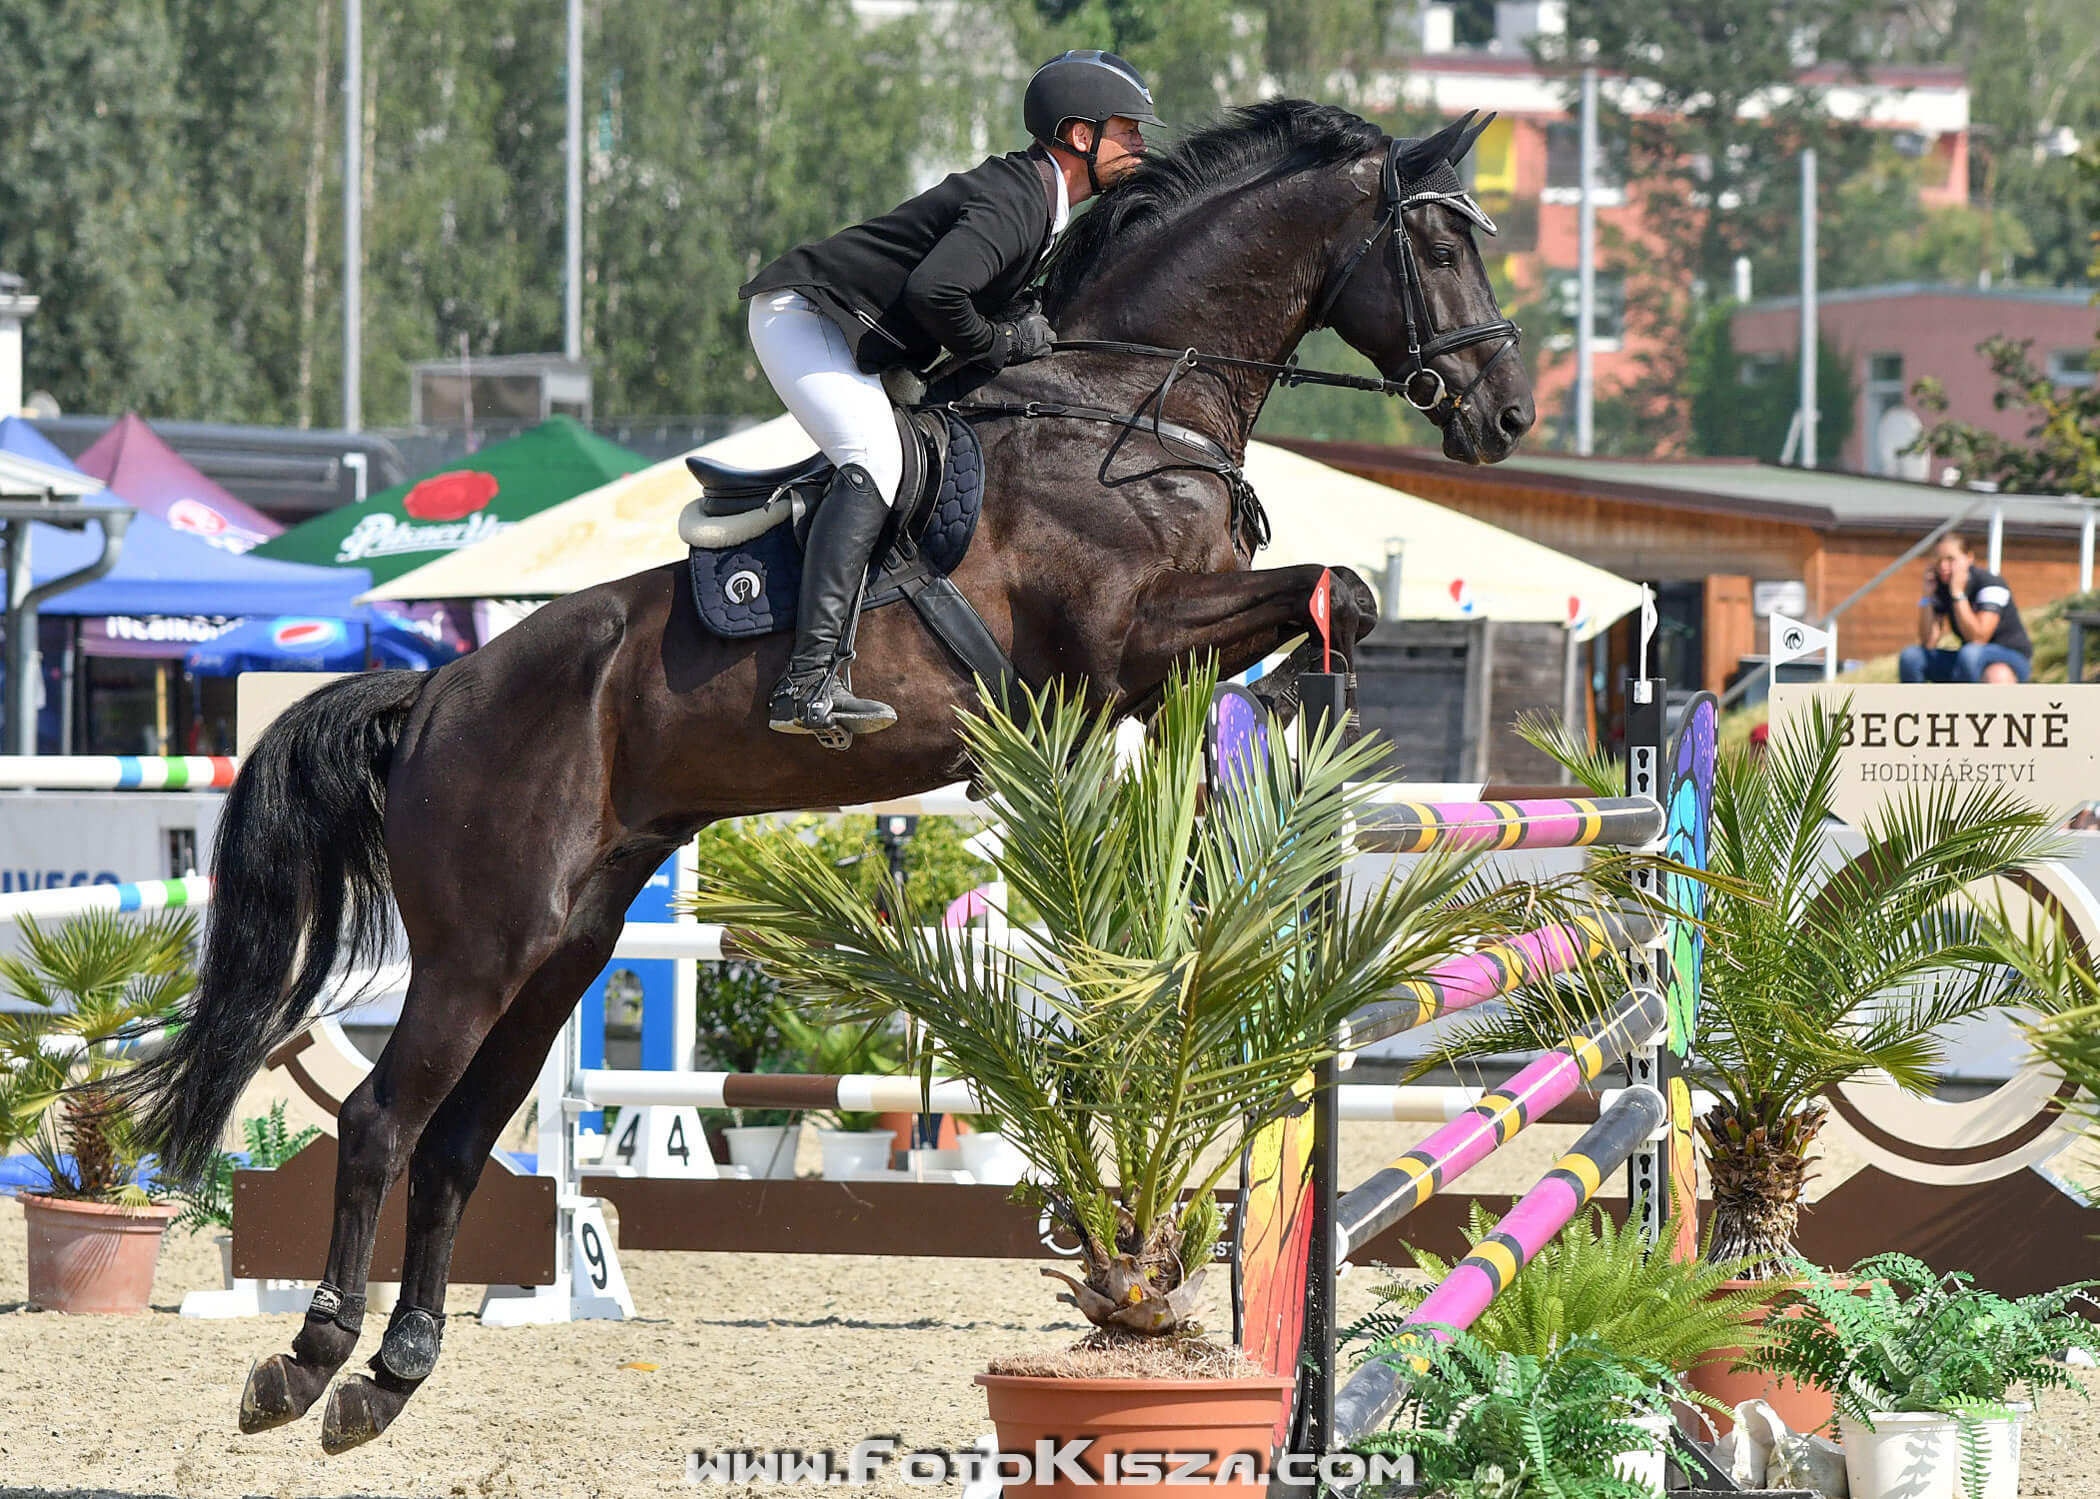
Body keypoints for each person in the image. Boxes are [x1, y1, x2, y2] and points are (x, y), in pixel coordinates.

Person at [738, 50, 1162, 740]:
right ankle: (807, 681)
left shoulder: (1043, 205)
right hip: (806, 320)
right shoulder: (1020, 200)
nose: (1142, 144)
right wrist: (998, 344)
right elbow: (935, 292)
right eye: (1129, 130)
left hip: (856, 335)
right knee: (874, 460)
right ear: (1080, 136)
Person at [1899, 533, 2033, 684]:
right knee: (1911, 656)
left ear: (1969, 558)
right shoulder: (1941, 586)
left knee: (1975, 657)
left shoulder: (1991, 583)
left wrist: (1958, 594)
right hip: (1969, 658)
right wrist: (1927, 596)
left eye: (1950, 559)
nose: (1943, 566)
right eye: (1938, 560)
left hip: (2011, 656)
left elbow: (1979, 638)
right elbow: (1929, 642)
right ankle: (1913, 706)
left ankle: (1964, 706)